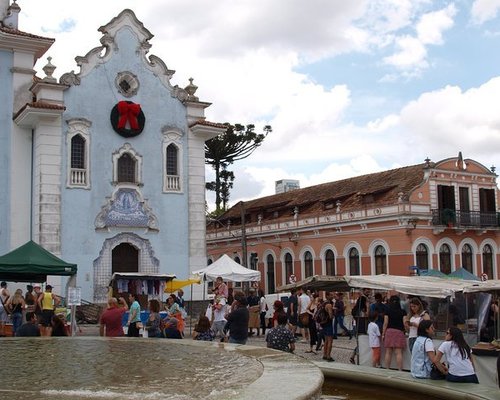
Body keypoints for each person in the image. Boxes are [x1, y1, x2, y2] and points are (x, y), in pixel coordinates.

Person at [382, 295, 407, 370]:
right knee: (398, 353)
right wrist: (406, 331)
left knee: (388, 352)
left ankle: (387, 369)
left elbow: (385, 323)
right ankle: (400, 370)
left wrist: (383, 334)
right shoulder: (403, 312)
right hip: (399, 332)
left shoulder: (387, 311)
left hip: (389, 331)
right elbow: (405, 323)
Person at [321, 291, 335, 362]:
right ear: (327, 296)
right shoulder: (329, 305)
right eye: (331, 295)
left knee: (326, 340)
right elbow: (330, 316)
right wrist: (333, 312)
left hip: (323, 324)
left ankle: (324, 354)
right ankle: (328, 356)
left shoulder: (323, 303)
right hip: (328, 324)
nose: (332, 296)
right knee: (330, 341)